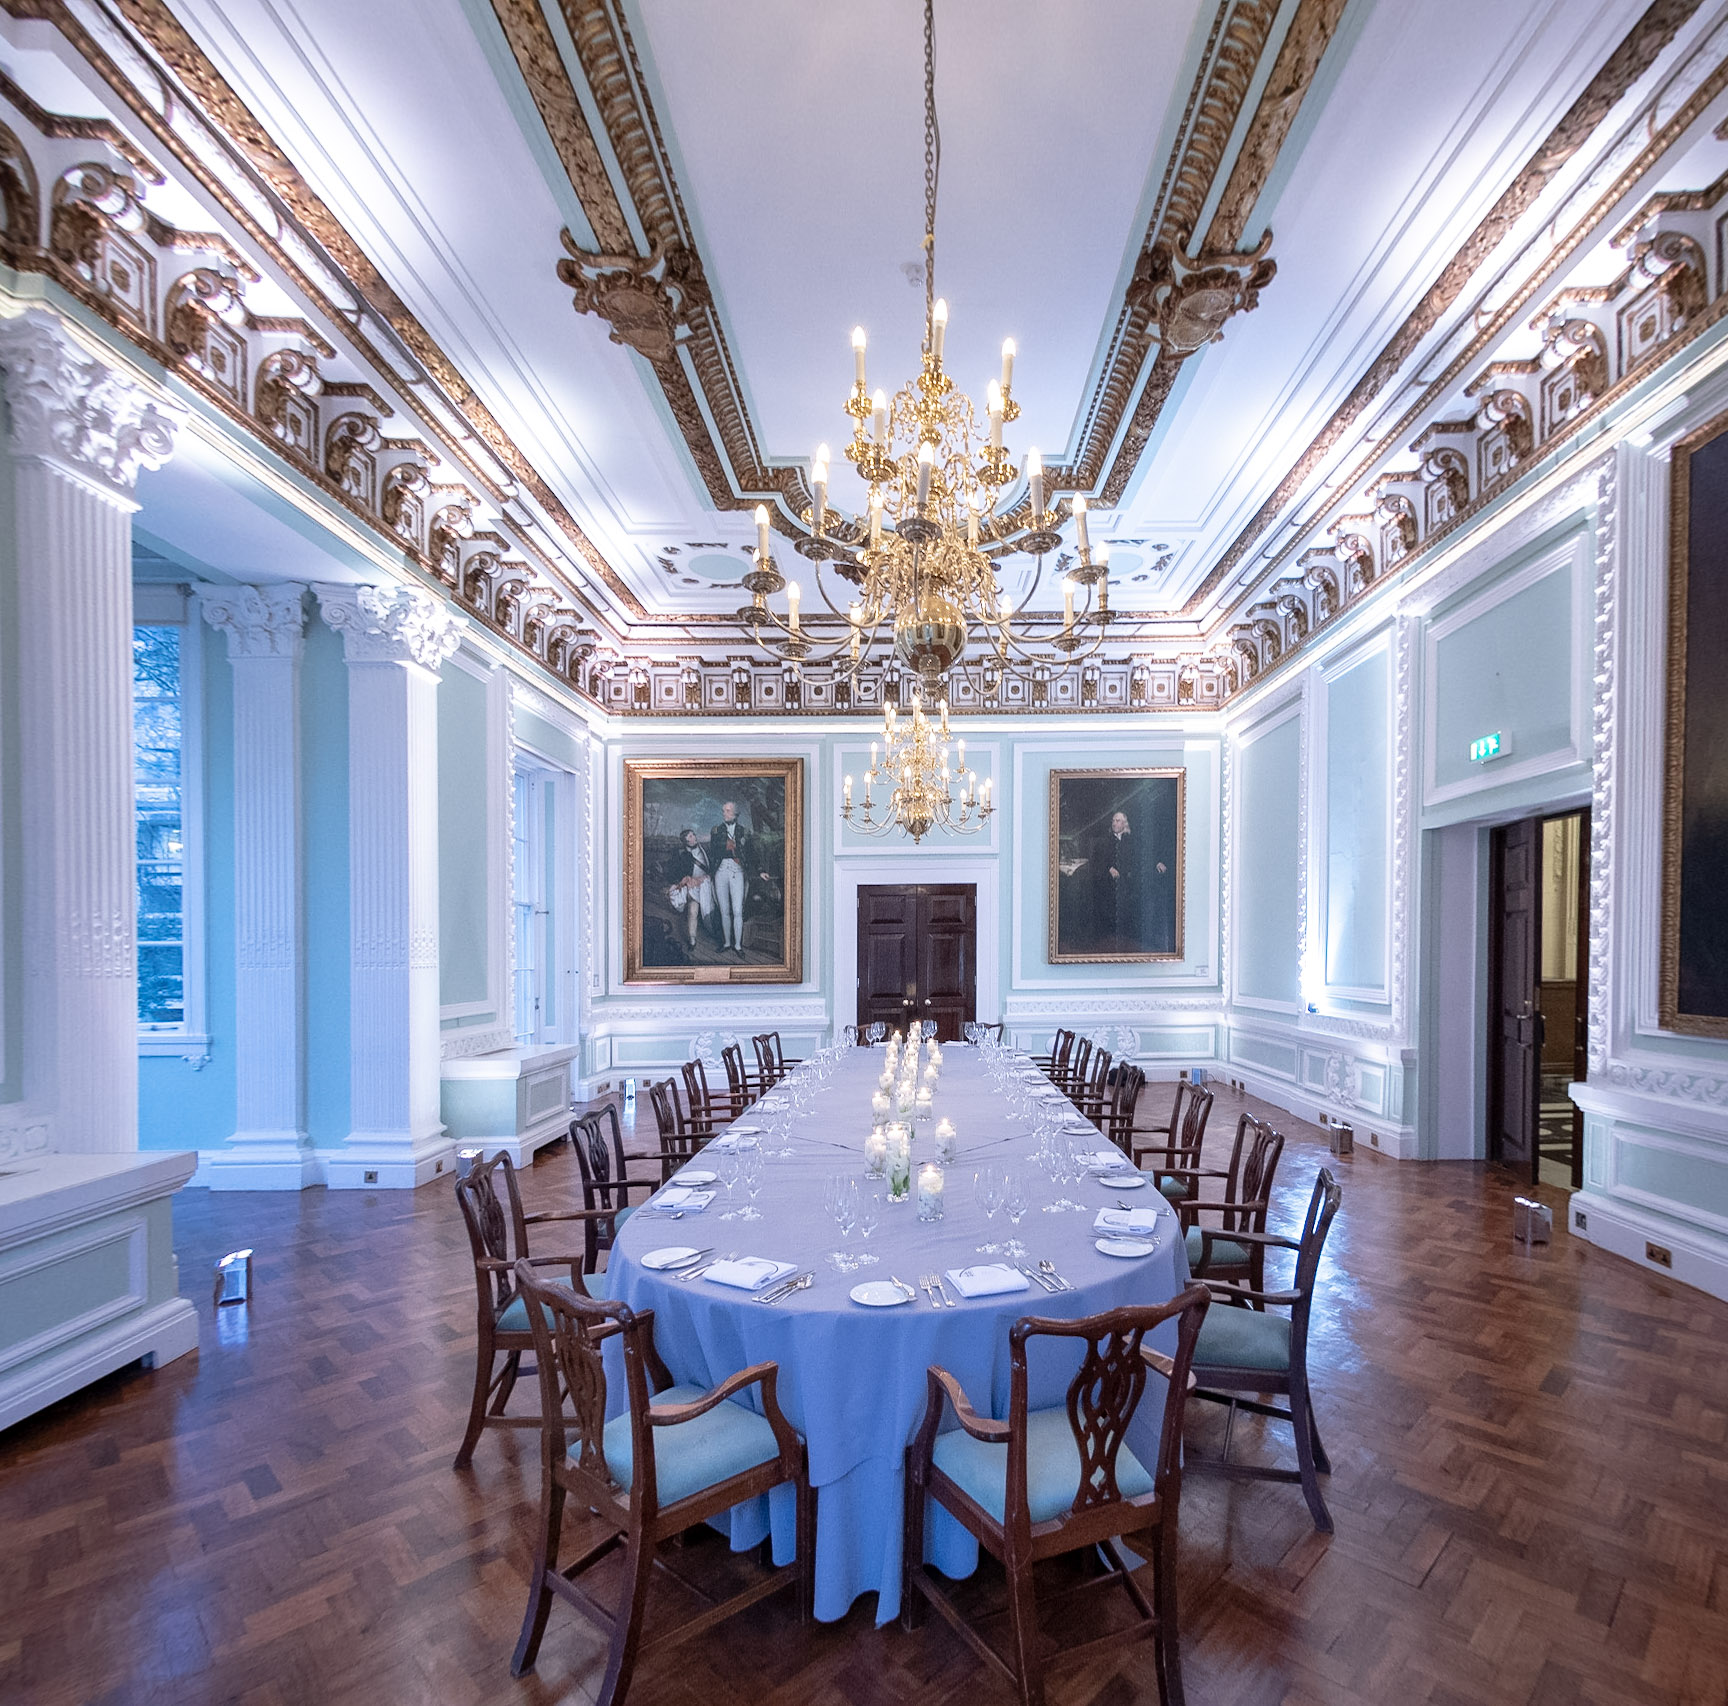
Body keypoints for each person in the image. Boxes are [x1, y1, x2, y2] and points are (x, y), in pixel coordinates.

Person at [709, 801, 772, 954]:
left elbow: (751, 854)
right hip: (721, 872)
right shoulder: (716, 830)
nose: (725, 813)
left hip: (737, 872)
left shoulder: (744, 832)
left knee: (737, 910)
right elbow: (713, 853)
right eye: (724, 811)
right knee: (724, 910)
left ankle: (737, 946)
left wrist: (760, 871)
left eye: (728, 811)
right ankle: (726, 943)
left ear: (736, 814)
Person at [663, 828, 714, 952]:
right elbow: (677, 872)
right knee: (692, 910)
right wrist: (684, 879)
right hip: (693, 886)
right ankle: (692, 939)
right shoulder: (683, 855)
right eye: (690, 836)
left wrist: (704, 878)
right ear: (686, 841)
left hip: (707, 884)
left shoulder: (705, 850)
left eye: (693, 835)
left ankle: (715, 933)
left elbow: (713, 868)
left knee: (710, 912)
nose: (693, 837)